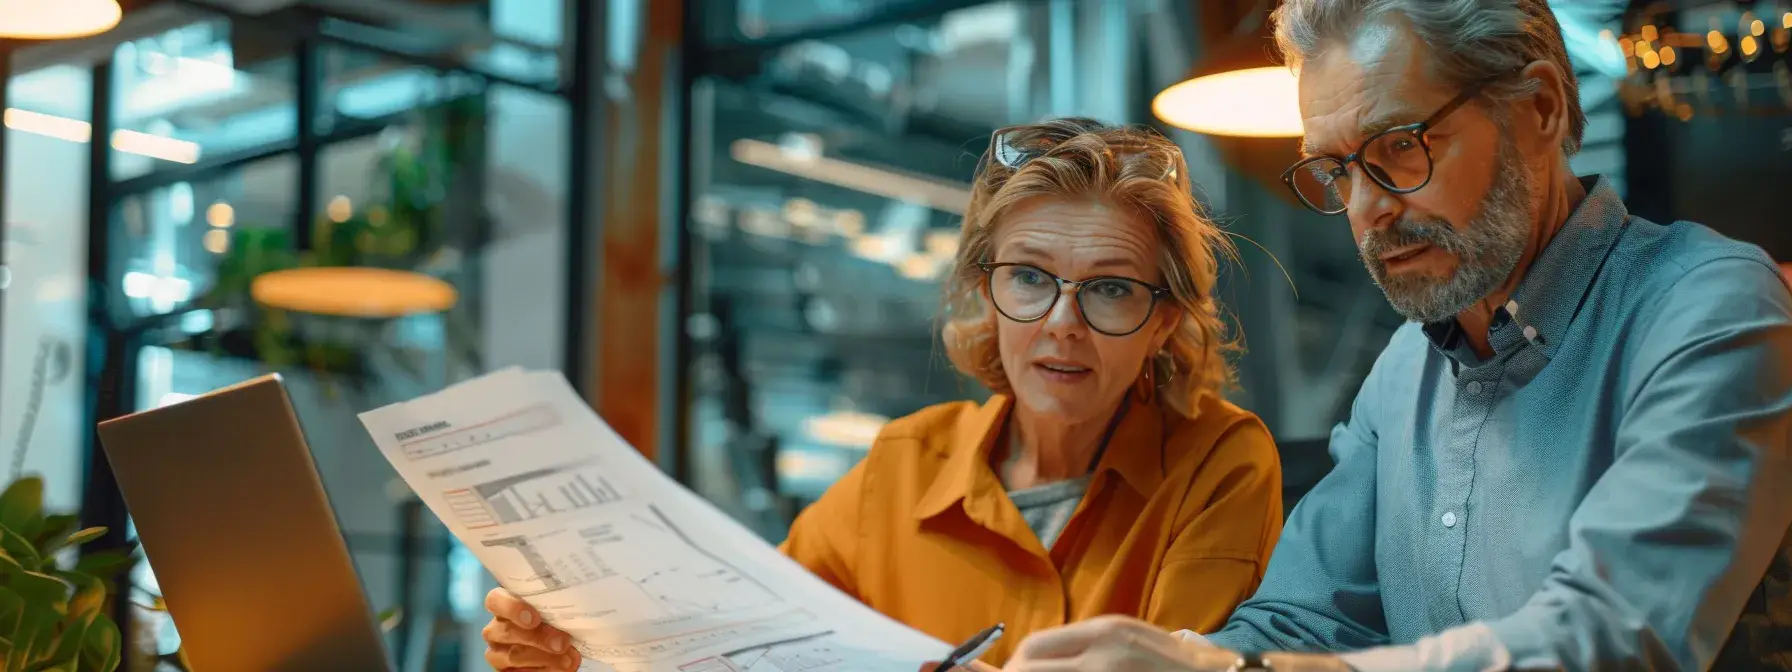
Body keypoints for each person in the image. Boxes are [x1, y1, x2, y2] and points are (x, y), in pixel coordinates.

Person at [1003, 1, 1792, 671]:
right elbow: (1296, 625)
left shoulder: (1710, 305)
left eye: (1398, 147)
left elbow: (1608, 638)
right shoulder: (1406, 367)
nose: (1365, 209)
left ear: (1541, 108)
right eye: (1336, 170)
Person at [479, 118, 1287, 671]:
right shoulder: (905, 463)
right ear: (985, 287)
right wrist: (585, 652)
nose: (1061, 323)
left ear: (1164, 319)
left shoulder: (1220, 460)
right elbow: (745, 649)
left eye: (1110, 289)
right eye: (1031, 277)